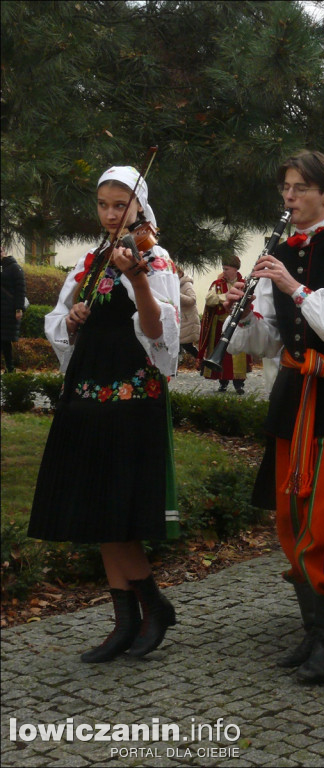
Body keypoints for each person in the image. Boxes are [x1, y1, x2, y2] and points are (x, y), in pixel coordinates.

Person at [225, 150, 324, 685]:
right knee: (290, 515)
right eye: (285, 189)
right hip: (295, 389)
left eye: (299, 188)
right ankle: (314, 627)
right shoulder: (280, 249)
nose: (289, 197)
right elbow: (274, 338)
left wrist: (293, 288)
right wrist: (246, 315)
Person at [28, 165, 180, 662]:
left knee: (118, 515)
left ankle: (154, 606)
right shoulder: (88, 262)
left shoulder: (155, 261)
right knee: (99, 512)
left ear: (139, 207)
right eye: (104, 205)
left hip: (131, 399)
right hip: (86, 395)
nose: (112, 214)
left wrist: (136, 280)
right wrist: (69, 321)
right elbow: (59, 320)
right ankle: (127, 620)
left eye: (121, 205)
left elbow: (160, 334)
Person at [199, 254, 252, 393]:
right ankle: (223, 382)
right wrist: (225, 296)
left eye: (227, 268)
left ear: (235, 269)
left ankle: (239, 384)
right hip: (219, 326)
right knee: (221, 355)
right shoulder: (217, 284)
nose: (224, 271)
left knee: (238, 355)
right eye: (223, 268)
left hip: (238, 325)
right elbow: (209, 299)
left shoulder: (244, 283)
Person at [1, 245, 26, 373]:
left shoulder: (14, 268)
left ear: (4, 251)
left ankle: (10, 367)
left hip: (8, 310)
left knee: (5, 340)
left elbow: (20, 289)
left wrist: (18, 309)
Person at [176, 267, 201, 361]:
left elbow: (192, 299)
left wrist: (177, 295)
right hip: (181, 319)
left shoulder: (186, 284)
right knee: (182, 345)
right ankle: (202, 362)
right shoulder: (176, 284)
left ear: (180, 273)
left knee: (186, 345)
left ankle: (202, 361)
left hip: (187, 319)